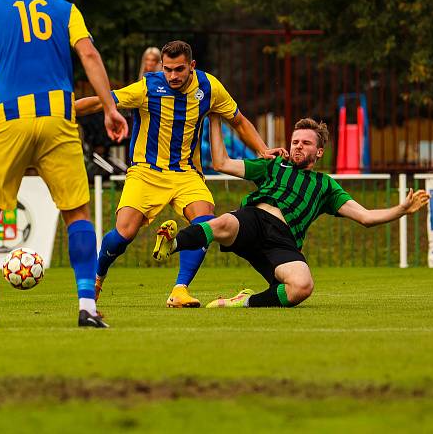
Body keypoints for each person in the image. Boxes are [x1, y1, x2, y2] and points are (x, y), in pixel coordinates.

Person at [0, 0, 127, 328]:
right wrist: (109, 107)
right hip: (57, 118)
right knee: (77, 214)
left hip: (7, 118)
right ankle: (87, 305)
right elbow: (88, 52)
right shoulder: (66, 9)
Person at [75, 40, 282, 307]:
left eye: (179, 70)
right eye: (168, 69)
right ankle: (98, 277)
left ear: (192, 66)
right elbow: (104, 101)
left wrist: (263, 149)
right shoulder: (147, 87)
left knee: (205, 221)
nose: (172, 76)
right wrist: (60, 111)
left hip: (186, 173)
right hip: (146, 172)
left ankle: (180, 289)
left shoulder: (209, 87)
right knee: (124, 233)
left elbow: (239, 121)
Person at [153, 115, 430, 307]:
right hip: (254, 221)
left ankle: (244, 302)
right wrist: (215, 119)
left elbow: (366, 218)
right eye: (295, 141)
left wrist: (402, 209)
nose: (298, 146)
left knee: (301, 287)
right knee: (223, 222)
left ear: (319, 152)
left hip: (282, 241)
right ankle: (171, 243)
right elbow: (222, 162)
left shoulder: (325, 186)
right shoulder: (274, 165)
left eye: (306, 143)